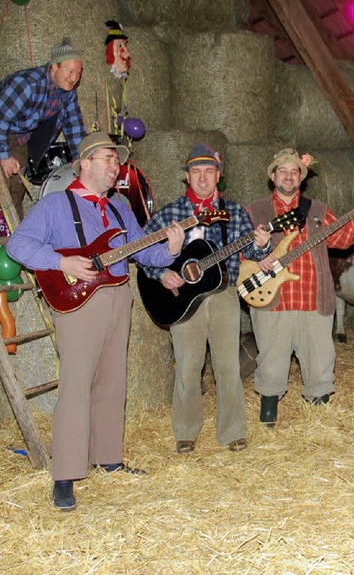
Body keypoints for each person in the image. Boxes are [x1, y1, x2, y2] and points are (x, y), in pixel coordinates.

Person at [6, 131, 185, 511]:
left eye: (116, 160)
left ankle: (108, 459)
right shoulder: (56, 205)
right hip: (77, 303)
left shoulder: (121, 206)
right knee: (76, 384)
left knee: (112, 380)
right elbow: (18, 245)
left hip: (119, 297)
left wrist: (170, 247)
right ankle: (65, 474)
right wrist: (62, 262)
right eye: (106, 158)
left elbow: (144, 253)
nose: (114, 165)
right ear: (84, 163)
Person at [141, 143, 272, 455]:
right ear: (186, 177)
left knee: (227, 366)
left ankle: (233, 432)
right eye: (196, 172)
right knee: (188, 365)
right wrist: (162, 275)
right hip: (182, 299)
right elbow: (141, 251)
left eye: (208, 172)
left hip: (224, 294)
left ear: (218, 176)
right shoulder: (170, 214)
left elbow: (253, 252)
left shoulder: (235, 211)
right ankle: (185, 432)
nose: (202, 178)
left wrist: (264, 244)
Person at [246, 148, 354, 427]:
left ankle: (318, 417)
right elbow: (238, 253)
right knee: (270, 359)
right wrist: (258, 254)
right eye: (283, 171)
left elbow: (341, 239)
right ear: (273, 176)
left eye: (294, 171)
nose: (289, 176)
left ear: (301, 178)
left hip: (313, 298)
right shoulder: (255, 210)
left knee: (320, 360)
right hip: (272, 299)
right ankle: (269, 414)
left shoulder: (317, 210)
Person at [0, 37, 85, 219]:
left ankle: (11, 239)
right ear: (54, 66)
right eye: (70, 71)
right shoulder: (28, 85)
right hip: (3, 128)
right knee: (1, 189)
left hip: (20, 136)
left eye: (78, 73)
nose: (74, 78)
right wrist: (4, 155)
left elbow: (74, 126)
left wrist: (81, 161)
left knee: (15, 189)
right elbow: (1, 118)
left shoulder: (68, 93)